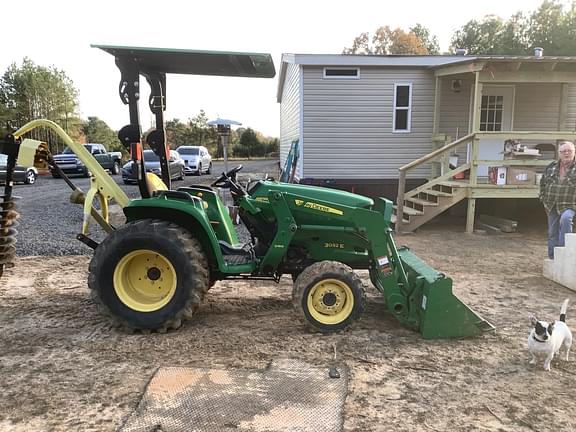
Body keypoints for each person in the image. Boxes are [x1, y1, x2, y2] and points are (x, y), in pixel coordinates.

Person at [539, 140, 576, 259]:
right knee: (552, 232)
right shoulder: (551, 167)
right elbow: (543, 184)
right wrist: (543, 198)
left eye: (569, 151)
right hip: (551, 203)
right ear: (559, 153)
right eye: (563, 151)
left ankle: (563, 254)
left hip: (570, 204)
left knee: (566, 219)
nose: (566, 153)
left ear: (574, 152)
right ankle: (553, 258)